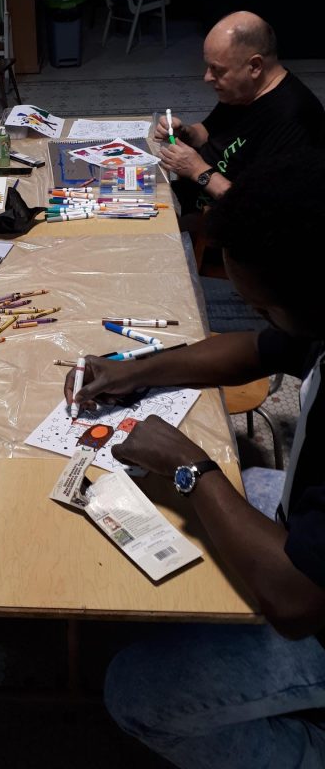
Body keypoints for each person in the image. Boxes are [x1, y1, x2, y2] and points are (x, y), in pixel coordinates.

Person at [63, 149, 325, 769]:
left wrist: (190, 466)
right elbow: (254, 350)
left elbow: (298, 604)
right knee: (236, 490)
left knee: (138, 692)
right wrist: (134, 370)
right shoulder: (316, 312)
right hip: (305, 538)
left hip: (314, 613)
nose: (258, 317)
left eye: (264, 305)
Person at [155, 11, 325, 220]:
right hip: (191, 202)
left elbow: (261, 210)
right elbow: (208, 132)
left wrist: (198, 171)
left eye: (217, 70)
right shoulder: (243, 91)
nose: (207, 77)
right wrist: (184, 132)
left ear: (255, 66)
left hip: (226, 227)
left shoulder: (293, 118)